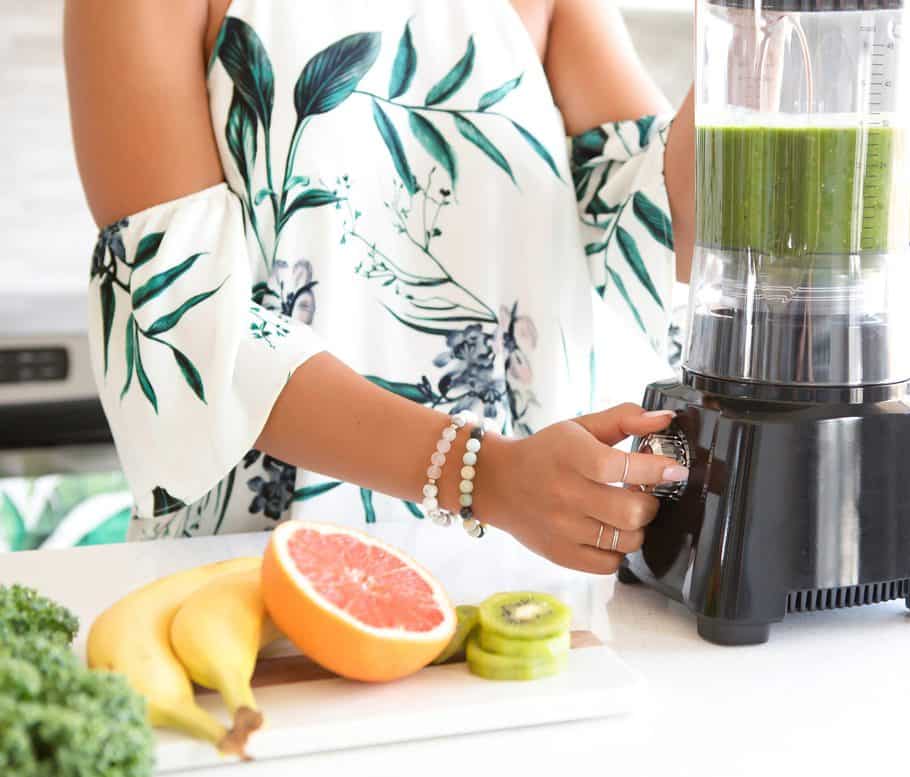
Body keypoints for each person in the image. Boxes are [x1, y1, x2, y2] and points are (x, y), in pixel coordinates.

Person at [64, 0, 696, 587]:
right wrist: (484, 476)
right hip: (251, 591)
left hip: (508, 582)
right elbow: (184, 313)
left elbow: (672, 229)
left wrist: (762, 33)